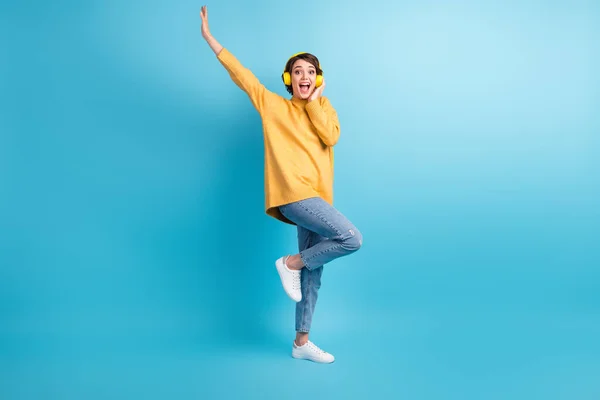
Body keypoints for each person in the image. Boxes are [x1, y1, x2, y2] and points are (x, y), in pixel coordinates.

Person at [200, 5, 362, 364]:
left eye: (311, 72)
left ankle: (301, 342)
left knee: (313, 272)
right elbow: (244, 77)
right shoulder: (274, 107)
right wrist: (212, 41)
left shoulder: (325, 108)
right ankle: (289, 263)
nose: (303, 76)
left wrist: (317, 103)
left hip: (317, 199)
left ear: (318, 79)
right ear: (289, 79)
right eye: (297, 71)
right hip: (294, 195)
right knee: (351, 238)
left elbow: (331, 136)